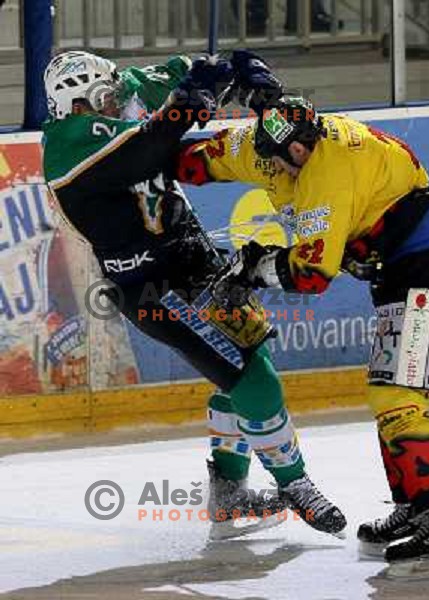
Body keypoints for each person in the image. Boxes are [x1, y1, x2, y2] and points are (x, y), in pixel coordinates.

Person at [175, 94, 429, 572]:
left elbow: (310, 276)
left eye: (294, 155)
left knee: (397, 397)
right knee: (387, 394)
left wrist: (254, 268)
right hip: (406, 268)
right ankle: (413, 506)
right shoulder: (264, 144)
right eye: (279, 157)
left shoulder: (327, 170)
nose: (288, 166)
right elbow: (197, 162)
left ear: (306, 144)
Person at [41, 51, 346, 537]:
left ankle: (228, 491)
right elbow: (148, 149)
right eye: (108, 95)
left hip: (193, 260)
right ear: (82, 101)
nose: (119, 97)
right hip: (152, 285)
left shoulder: (126, 90)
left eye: (118, 90)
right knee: (254, 380)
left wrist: (240, 70)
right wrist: (193, 101)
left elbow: (196, 69)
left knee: (250, 358)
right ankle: (296, 482)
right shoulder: (66, 145)